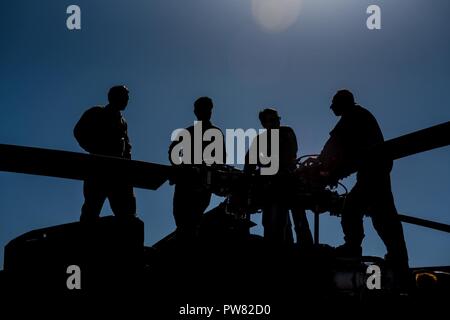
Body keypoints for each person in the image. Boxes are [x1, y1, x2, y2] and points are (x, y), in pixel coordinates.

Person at [319, 89, 408, 269]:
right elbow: (349, 152)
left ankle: (352, 247)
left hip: (372, 171)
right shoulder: (360, 116)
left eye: (334, 104)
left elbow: (335, 144)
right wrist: (337, 170)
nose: (331, 108)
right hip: (375, 170)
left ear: (343, 103)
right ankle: (398, 258)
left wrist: (322, 164)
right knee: (383, 216)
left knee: (352, 207)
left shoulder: (353, 116)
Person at [245, 108, 312, 246]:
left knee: (297, 220)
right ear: (264, 124)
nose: (276, 122)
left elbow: (288, 155)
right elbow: (249, 164)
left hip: (289, 183)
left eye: (277, 119)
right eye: (272, 120)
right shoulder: (259, 141)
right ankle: (281, 250)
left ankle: (305, 250)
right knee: (273, 222)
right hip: (271, 187)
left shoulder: (286, 132)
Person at [74, 85, 136, 221]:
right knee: (91, 209)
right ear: (114, 97)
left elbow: (127, 146)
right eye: (124, 97)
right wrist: (95, 149)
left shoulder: (123, 122)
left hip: (119, 171)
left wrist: (128, 167)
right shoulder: (96, 112)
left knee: (126, 212)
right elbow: (79, 131)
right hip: (98, 169)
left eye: (127, 98)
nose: (127, 100)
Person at [168, 97, 225, 240]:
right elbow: (172, 152)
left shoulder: (214, 133)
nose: (204, 112)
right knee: (181, 219)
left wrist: (205, 170)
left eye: (206, 109)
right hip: (185, 182)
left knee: (192, 222)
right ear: (195, 111)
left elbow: (221, 159)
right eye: (201, 109)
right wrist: (182, 167)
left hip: (202, 184)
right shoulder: (188, 132)